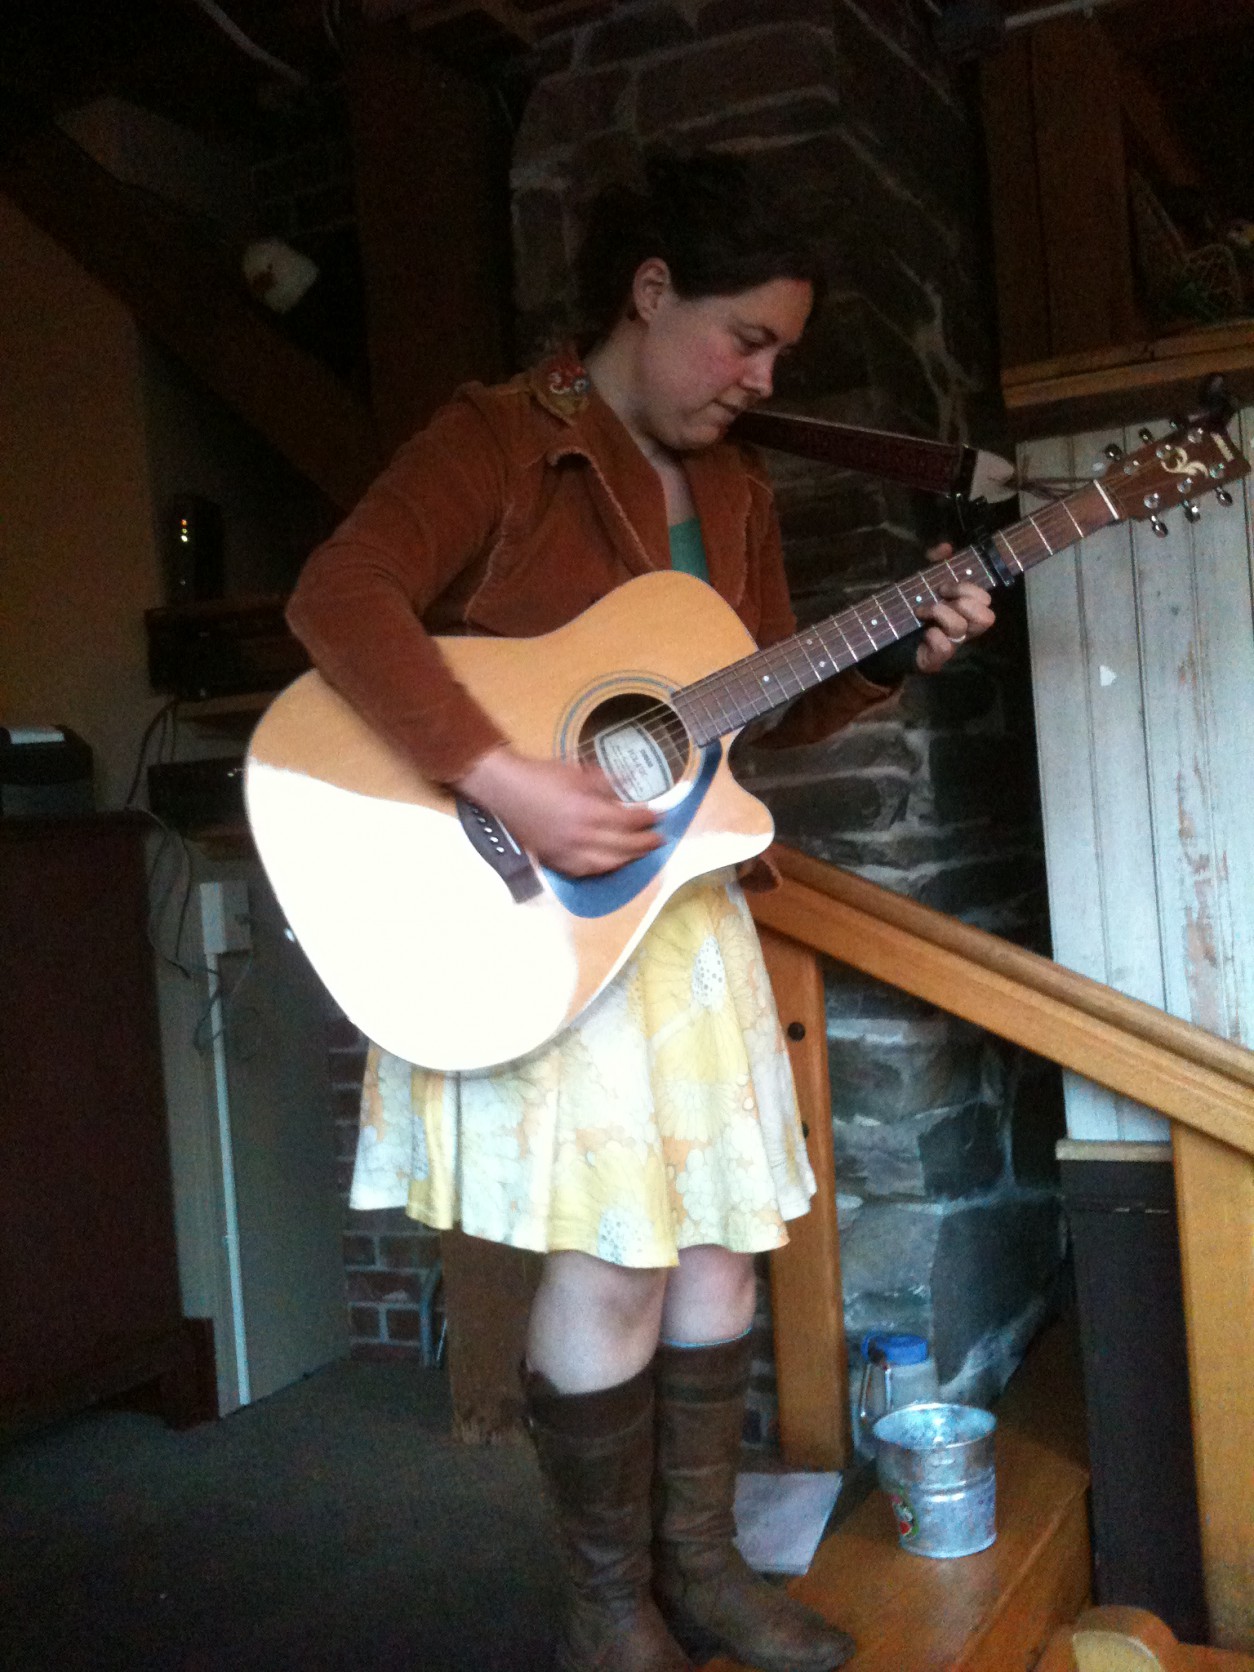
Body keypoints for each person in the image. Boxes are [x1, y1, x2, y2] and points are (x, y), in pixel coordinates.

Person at [286, 149, 995, 1672]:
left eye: (779, 354)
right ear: (651, 290)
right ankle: (606, 1611)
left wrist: (892, 653)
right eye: (744, 338)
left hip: (682, 915)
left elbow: (744, 717)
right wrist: (507, 777)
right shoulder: (499, 439)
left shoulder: (732, 490)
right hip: (539, 908)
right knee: (614, 1261)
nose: (761, 379)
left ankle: (701, 1570)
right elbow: (337, 598)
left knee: (723, 1251)